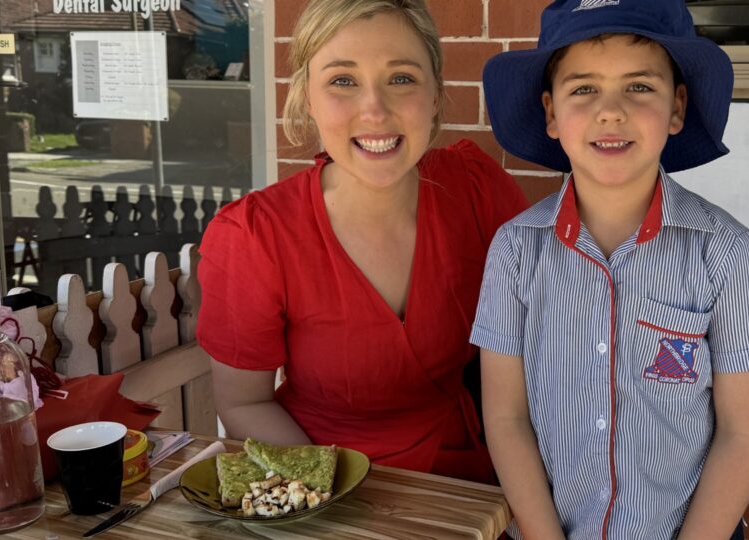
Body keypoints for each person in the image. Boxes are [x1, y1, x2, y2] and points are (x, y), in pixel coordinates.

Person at [471, 0, 749, 538]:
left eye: (639, 87)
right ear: (551, 113)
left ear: (677, 106)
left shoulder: (728, 254)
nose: (611, 111)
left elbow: (743, 433)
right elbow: (506, 418)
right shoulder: (515, 251)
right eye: (584, 88)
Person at [196, 0, 527, 484]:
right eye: (342, 81)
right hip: (322, 482)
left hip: (474, 480)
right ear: (306, 97)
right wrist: (330, 498)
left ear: (435, 94)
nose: (374, 109)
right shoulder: (254, 235)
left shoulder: (478, 190)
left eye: (401, 78)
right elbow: (244, 400)